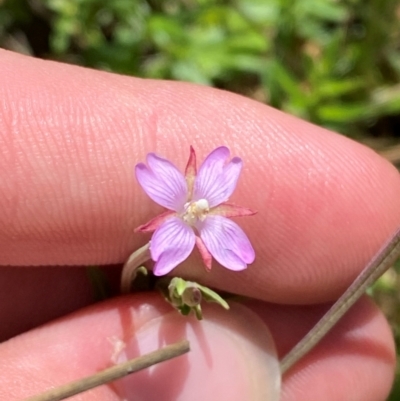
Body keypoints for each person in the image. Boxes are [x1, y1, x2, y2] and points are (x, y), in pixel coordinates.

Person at [0, 49, 399, 401]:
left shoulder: (204, 222)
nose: (198, 208)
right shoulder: (176, 221)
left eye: (201, 208)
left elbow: (216, 244)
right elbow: (162, 250)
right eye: (194, 206)